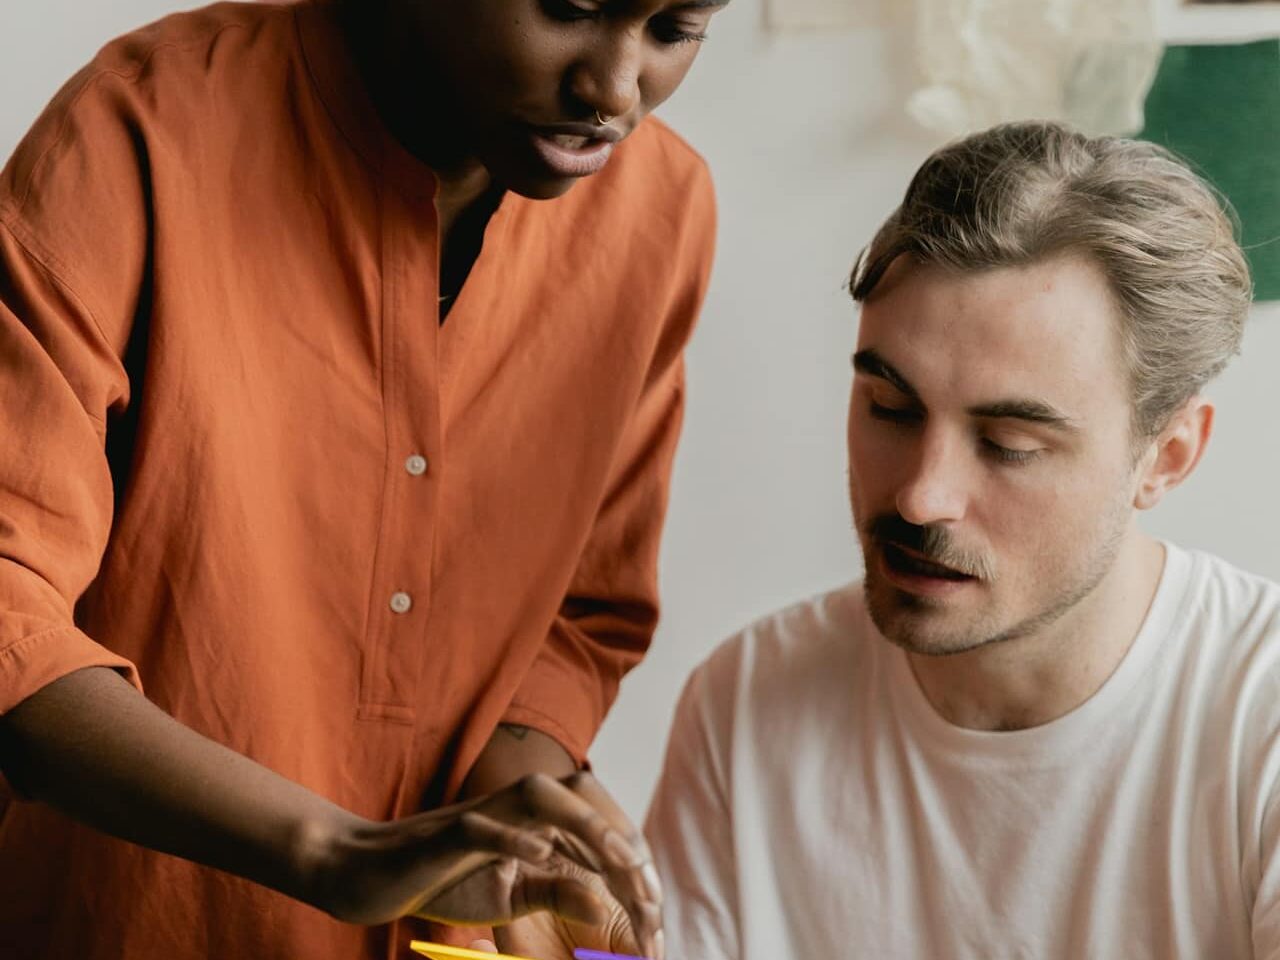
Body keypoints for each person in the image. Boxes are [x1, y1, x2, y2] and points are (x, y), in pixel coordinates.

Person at [0, 0, 729, 957]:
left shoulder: (661, 213)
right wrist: (335, 853)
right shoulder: (138, 133)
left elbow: (582, 618)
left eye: (675, 28)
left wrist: (528, 824)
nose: (614, 90)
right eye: (568, 9)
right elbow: (9, 614)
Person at [645, 121, 1280, 959]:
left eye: (1009, 445)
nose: (921, 495)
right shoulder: (747, 703)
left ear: (1165, 458)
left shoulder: (1258, 715)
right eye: (890, 410)